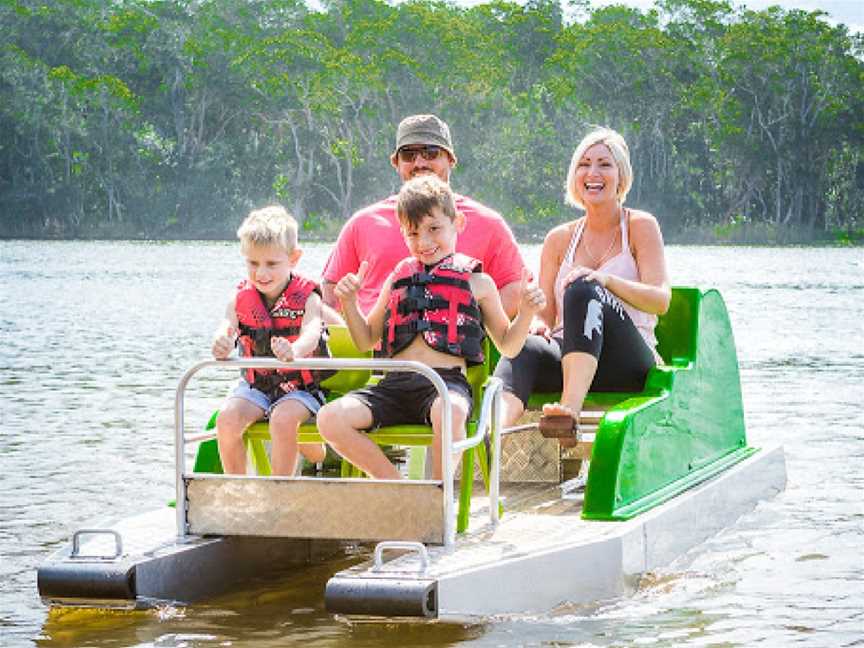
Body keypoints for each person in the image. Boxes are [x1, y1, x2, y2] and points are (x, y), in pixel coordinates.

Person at [316, 175, 546, 480]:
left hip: (446, 386)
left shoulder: (479, 282)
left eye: (434, 229)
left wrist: (527, 313)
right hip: (393, 387)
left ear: (458, 223)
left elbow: (508, 345)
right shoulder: (398, 277)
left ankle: (439, 496)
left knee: (449, 411)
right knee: (330, 418)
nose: (424, 243)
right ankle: (401, 490)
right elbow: (365, 339)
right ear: (403, 234)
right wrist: (350, 302)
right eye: (413, 234)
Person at [493, 127, 671, 439]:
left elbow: (660, 300)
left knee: (584, 287)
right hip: (569, 357)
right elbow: (545, 315)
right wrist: (535, 321)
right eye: (584, 164)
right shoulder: (559, 239)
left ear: (621, 176)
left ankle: (568, 413)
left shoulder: (641, 226)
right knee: (524, 347)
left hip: (626, 363)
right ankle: (494, 434)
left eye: (604, 164)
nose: (593, 172)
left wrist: (606, 281)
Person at [322, 113, 527, 319]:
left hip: (459, 346)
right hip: (377, 346)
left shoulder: (489, 224)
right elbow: (330, 294)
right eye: (408, 155)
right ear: (397, 163)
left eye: (430, 152)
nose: (419, 162)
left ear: (450, 159)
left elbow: (515, 287)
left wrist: (469, 325)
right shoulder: (362, 223)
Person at [211, 206, 329, 475]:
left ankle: (280, 492)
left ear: (293, 258)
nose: (261, 273)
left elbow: (312, 332)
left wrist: (294, 349)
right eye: (253, 263)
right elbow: (227, 326)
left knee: (283, 419)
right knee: (227, 420)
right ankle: (239, 491)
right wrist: (221, 341)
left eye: (271, 264)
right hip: (256, 387)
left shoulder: (309, 297)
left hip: (299, 389)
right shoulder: (240, 297)